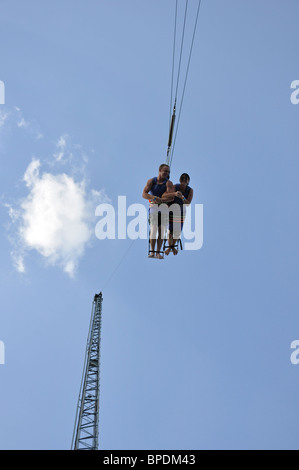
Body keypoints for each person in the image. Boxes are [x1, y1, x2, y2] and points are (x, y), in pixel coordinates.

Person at [142, 164, 182, 259]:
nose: (166, 173)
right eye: (165, 171)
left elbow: (171, 197)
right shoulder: (151, 181)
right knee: (153, 228)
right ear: (160, 170)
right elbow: (144, 194)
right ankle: (152, 251)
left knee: (161, 230)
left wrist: (162, 200)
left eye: (168, 172)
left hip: (164, 207)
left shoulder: (168, 183)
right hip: (154, 206)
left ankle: (159, 252)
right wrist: (154, 198)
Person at [164, 173, 193, 256]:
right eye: (182, 178)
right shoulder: (175, 186)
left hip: (181, 209)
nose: (184, 180)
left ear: (188, 181)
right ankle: (170, 247)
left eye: (186, 179)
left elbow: (188, 203)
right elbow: (169, 196)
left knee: (177, 230)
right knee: (170, 230)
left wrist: (182, 197)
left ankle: (171, 248)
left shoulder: (190, 190)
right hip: (172, 208)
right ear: (180, 180)